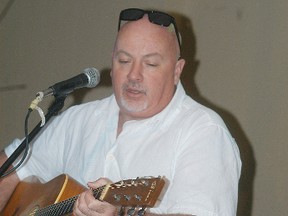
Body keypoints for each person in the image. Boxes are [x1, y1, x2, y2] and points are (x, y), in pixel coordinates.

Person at [0, 8, 241, 216]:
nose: (134, 75)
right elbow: (11, 169)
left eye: (151, 64)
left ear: (177, 70)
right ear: (112, 62)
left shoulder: (204, 133)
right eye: (124, 61)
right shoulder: (78, 119)